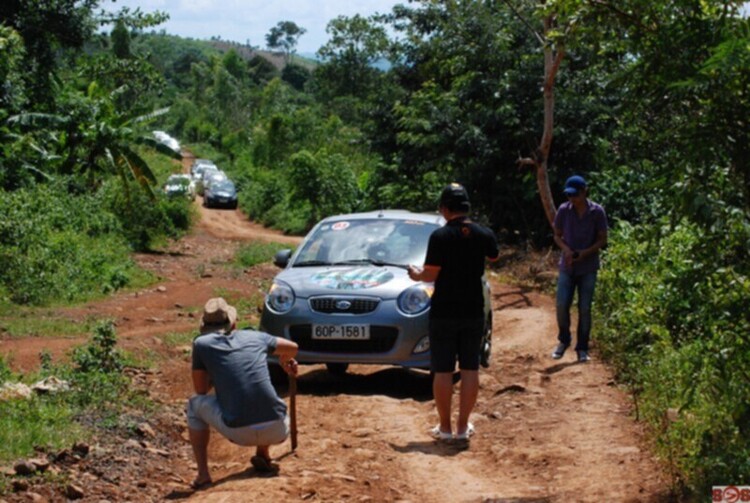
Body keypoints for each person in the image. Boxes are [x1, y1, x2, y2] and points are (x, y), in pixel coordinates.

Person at [408, 183, 499, 441]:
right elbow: (494, 257)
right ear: (466, 208)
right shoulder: (483, 233)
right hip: (473, 311)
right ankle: (463, 427)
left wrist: (416, 274)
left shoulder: (439, 237)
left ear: (445, 209)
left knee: (443, 369)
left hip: (444, 311)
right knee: (470, 368)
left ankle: (445, 427)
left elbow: (430, 274)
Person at [186, 297, 299, 489]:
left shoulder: (202, 345)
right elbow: (293, 347)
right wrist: (285, 359)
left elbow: (201, 390)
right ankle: (263, 452)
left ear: (204, 326)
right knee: (261, 394)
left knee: (194, 404)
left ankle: (203, 474)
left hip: (239, 433)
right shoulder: (256, 337)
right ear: (234, 323)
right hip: (278, 430)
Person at [551, 175, 608, 363]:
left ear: (584, 192)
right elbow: (557, 235)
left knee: (584, 308)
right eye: (569, 195)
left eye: (575, 195)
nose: (572, 199)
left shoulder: (597, 212)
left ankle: (582, 347)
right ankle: (564, 340)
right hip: (567, 266)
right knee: (561, 305)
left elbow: (602, 239)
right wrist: (567, 250)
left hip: (588, 266)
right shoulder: (563, 210)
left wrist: (586, 252)